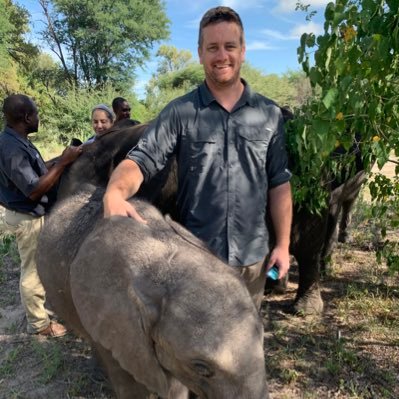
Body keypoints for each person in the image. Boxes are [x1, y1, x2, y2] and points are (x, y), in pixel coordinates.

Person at [103, 6, 293, 310]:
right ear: (200, 53)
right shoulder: (180, 112)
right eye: (212, 48)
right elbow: (140, 160)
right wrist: (114, 192)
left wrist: (282, 245)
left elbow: (279, 182)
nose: (222, 56)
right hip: (198, 260)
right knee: (200, 350)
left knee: (245, 347)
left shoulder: (269, 114)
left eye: (230, 46)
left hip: (252, 263)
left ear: (243, 51)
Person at [0, 94, 82, 337]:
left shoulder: (18, 140)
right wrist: (62, 163)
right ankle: (39, 325)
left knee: (39, 265)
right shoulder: (12, 148)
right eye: (36, 114)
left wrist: (65, 159)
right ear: (26, 117)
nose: (38, 118)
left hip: (29, 213)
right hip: (27, 217)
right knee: (32, 270)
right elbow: (34, 189)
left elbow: (36, 171)